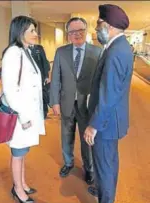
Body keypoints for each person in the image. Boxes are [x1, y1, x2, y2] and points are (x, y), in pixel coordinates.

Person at [84, 4, 134, 203]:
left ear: (109, 26)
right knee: (109, 162)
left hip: (105, 123)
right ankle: (103, 190)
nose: (96, 29)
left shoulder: (115, 52)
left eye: (98, 24)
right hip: (112, 120)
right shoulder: (118, 46)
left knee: (104, 166)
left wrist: (93, 125)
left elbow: (109, 94)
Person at [50, 17, 101, 184]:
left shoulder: (97, 52)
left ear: (86, 32)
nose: (77, 34)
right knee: (66, 135)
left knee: (87, 138)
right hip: (66, 103)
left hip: (87, 105)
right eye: (72, 32)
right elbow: (55, 78)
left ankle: (89, 168)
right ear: (68, 35)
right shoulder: (61, 52)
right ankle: (68, 162)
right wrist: (55, 102)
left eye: (80, 31)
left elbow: (101, 81)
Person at [1, 15, 45, 203]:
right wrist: (24, 117)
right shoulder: (13, 53)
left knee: (23, 152)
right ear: (20, 32)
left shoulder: (25, 50)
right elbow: (10, 90)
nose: (36, 34)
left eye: (35, 30)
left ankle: (23, 182)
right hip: (20, 116)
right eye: (32, 31)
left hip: (27, 114)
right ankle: (18, 188)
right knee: (18, 153)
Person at [29, 44, 51, 118]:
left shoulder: (39, 48)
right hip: (29, 78)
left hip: (40, 76)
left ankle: (44, 112)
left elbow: (44, 62)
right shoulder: (22, 49)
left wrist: (47, 76)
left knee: (42, 94)